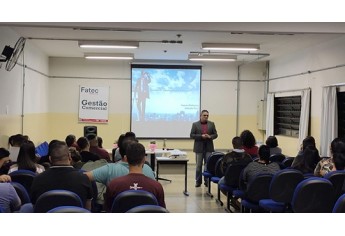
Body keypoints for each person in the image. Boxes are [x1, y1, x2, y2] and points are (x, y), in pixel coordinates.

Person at [30, 141, 93, 211]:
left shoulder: (37, 179)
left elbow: (35, 207)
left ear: (50, 159)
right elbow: (88, 209)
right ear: (69, 157)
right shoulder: (84, 178)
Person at [104, 141, 166, 212]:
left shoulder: (113, 185)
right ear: (144, 160)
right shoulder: (156, 186)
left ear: (126, 159)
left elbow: (108, 211)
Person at [84, 136, 155, 186]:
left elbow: (83, 177)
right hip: (145, 207)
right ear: (143, 159)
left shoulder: (110, 169)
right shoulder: (148, 169)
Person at [190, 109, 218, 187]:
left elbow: (215, 134)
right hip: (199, 148)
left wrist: (210, 136)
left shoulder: (211, 124)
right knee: (198, 166)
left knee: (207, 165)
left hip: (209, 147)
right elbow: (192, 135)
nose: (206, 117)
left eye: (207, 115)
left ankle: (207, 181)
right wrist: (200, 136)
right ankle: (198, 181)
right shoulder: (195, 124)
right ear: (200, 116)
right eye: (204, 115)